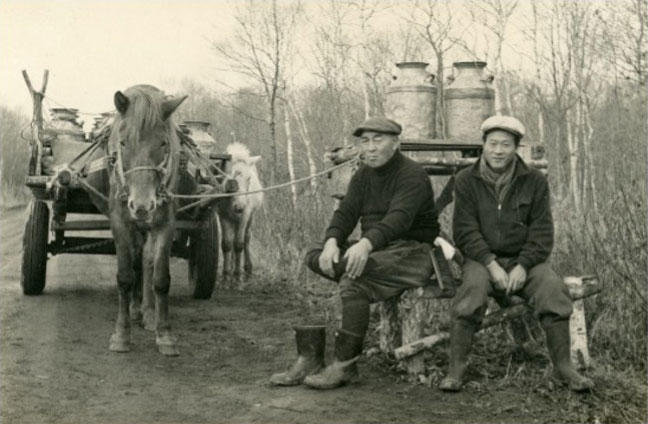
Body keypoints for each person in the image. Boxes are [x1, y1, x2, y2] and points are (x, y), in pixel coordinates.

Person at [269, 117, 441, 390]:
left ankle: (344, 365)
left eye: (378, 140)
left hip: (414, 252)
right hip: (379, 251)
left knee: (354, 281)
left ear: (396, 143)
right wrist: (332, 242)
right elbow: (346, 213)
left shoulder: (412, 175)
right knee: (314, 254)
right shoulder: (362, 175)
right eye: (365, 141)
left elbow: (399, 219)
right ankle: (312, 359)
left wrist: (365, 244)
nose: (371, 148)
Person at [439, 115, 594, 393]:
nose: (498, 151)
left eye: (506, 145)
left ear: (516, 148)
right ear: (483, 145)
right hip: (481, 260)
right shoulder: (465, 180)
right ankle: (457, 369)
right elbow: (464, 232)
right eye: (493, 144)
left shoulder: (533, 180)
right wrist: (491, 265)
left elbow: (542, 233)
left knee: (553, 291)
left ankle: (563, 367)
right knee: (471, 294)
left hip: (525, 260)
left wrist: (522, 266)